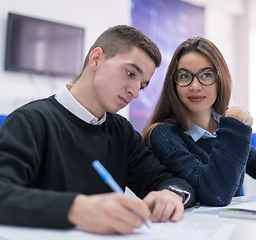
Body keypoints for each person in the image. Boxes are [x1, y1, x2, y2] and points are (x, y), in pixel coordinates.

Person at [0, 25, 197, 235]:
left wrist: (171, 194)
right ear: (96, 59)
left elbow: (167, 180)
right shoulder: (30, 121)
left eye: (142, 85)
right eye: (130, 73)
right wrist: (77, 209)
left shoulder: (121, 131)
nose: (135, 92)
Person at [142, 37, 256, 207]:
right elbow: (215, 192)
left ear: (221, 80)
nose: (195, 86)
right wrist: (235, 125)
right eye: (184, 76)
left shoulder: (221, 126)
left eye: (206, 75)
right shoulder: (164, 134)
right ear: (173, 84)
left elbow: (253, 159)